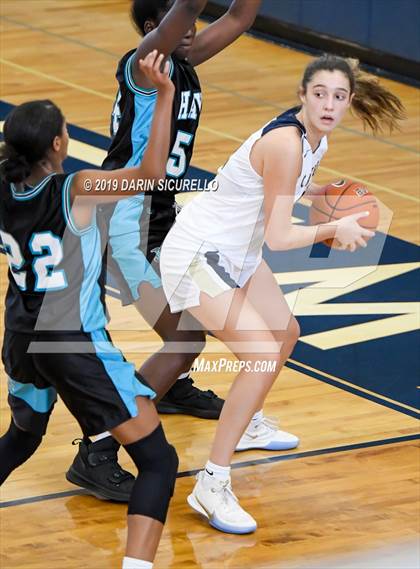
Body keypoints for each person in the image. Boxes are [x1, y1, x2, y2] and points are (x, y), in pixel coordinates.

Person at [159, 54, 405, 533]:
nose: (329, 104)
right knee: (259, 352)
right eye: (319, 94)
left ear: (348, 100)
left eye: (338, 96)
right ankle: (212, 483)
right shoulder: (286, 144)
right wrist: (335, 226)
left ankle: (246, 421)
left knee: (285, 331)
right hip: (197, 255)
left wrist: (325, 204)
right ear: (302, 96)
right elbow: (279, 238)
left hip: (236, 253)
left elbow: (275, 199)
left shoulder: (317, 137)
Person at [66, 0, 299, 503]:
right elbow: (191, 4)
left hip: (162, 214)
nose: (193, 30)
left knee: (191, 326)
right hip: (126, 220)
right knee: (186, 338)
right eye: (182, 24)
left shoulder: (184, 62)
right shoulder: (143, 64)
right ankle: (97, 449)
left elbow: (240, 17)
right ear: (155, 29)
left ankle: (167, 389)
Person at [0, 51, 178, 569]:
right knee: (157, 462)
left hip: (20, 338)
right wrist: (164, 95)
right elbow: (149, 172)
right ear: (59, 143)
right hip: (72, 343)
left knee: (22, 436)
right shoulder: (76, 189)